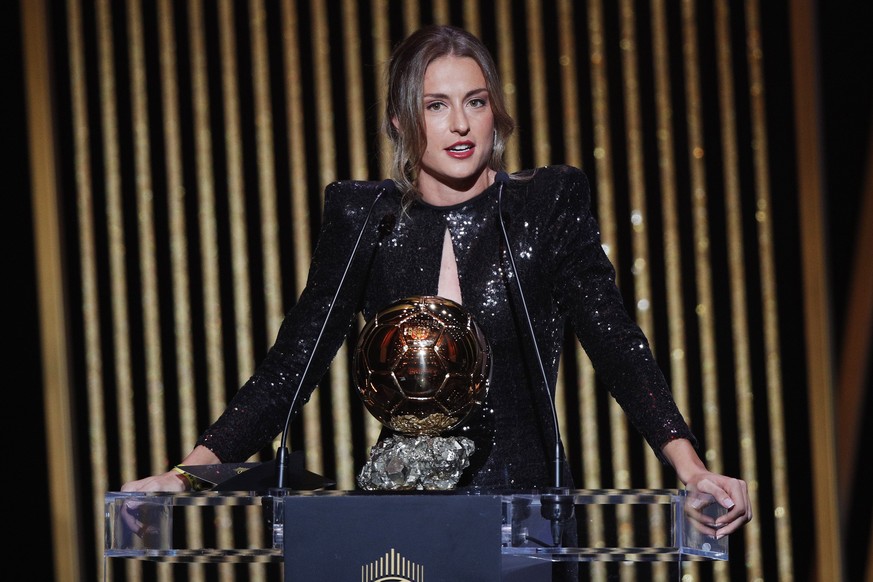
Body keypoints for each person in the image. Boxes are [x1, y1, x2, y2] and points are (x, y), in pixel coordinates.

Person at [122, 24, 751, 540]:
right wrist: (186, 476)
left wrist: (690, 468)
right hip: (401, 524)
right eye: (436, 104)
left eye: (475, 102)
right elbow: (292, 365)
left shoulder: (544, 205)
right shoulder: (365, 218)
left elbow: (616, 342)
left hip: (523, 522)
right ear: (400, 120)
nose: (460, 125)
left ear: (494, 113)